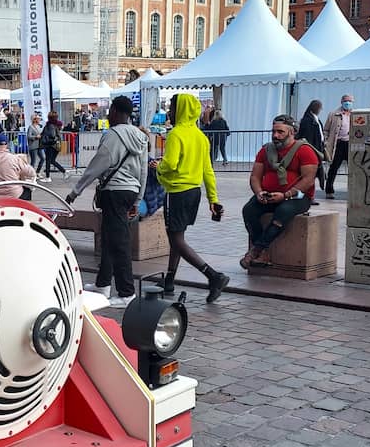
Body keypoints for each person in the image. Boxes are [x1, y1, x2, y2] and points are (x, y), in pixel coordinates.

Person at [65, 95, 149, 306]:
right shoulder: (140, 137)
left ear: (117, 112)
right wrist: (138, 198)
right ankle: (103, 283)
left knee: (119, 241)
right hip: (130, 191)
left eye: (111, 110)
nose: (109, 115)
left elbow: (97, 165)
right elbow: (145, 170)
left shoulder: (112, 135)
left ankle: (126, 292)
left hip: (114, 191)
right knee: (111, 237)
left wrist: (76, 191)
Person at [156, 93, 228, 302]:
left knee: (176, 239)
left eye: (172, 106)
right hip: (194, 192)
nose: (169, 111)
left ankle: (213, 276)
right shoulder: (200, 136)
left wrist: (158, 169)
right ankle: (170, 279)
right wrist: (213, 199)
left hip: (177, 191)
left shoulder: (176, 134)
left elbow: (169, 164)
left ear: (179, 110)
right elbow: (208, 171)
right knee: (177, 237)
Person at [240, 115, 319, 269]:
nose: (275, 135)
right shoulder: (265, 150)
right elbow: (255, 176)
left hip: (297, 197)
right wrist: (259, 192)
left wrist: (286, 195)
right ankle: (262, 253)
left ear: (292, 132)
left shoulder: (304, 150)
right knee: (249, 210)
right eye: (274, 131)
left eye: (280, 132)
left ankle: (256, 250)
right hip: (269, 195)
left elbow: (308, 180)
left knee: (284, 210)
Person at [0, 133, 36, 198]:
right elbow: (31, 173)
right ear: (7, 145)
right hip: (14, 194)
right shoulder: (14, 159)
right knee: (27, 190)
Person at [322, 93, 353, 198]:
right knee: (334, 167)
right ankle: (329, 190)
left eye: (349, 101)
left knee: (354, 168)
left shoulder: (356, 114)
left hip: (350, 143)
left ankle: (355, 190)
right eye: (345, 101)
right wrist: (326, 141)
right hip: (338, 143)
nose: (347, 103)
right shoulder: (334, 114)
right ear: (341, 102)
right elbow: (326, 129)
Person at [298, 100, 326, 194]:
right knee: (310, 174)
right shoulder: (308, 120)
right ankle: (309, 194)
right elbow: (308, 137)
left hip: (317, 148)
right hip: (312, 149)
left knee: (315, 173)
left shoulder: (315, 119)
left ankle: (311, 194)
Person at [38, 111, 67, 181]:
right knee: (52, 161)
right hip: (56, 145)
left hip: (50, 145)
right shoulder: (56, 125)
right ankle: (64, 171)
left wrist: (44, 137)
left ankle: (48, 177)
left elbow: (52, 135)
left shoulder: (50, 125)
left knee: (48, 160)